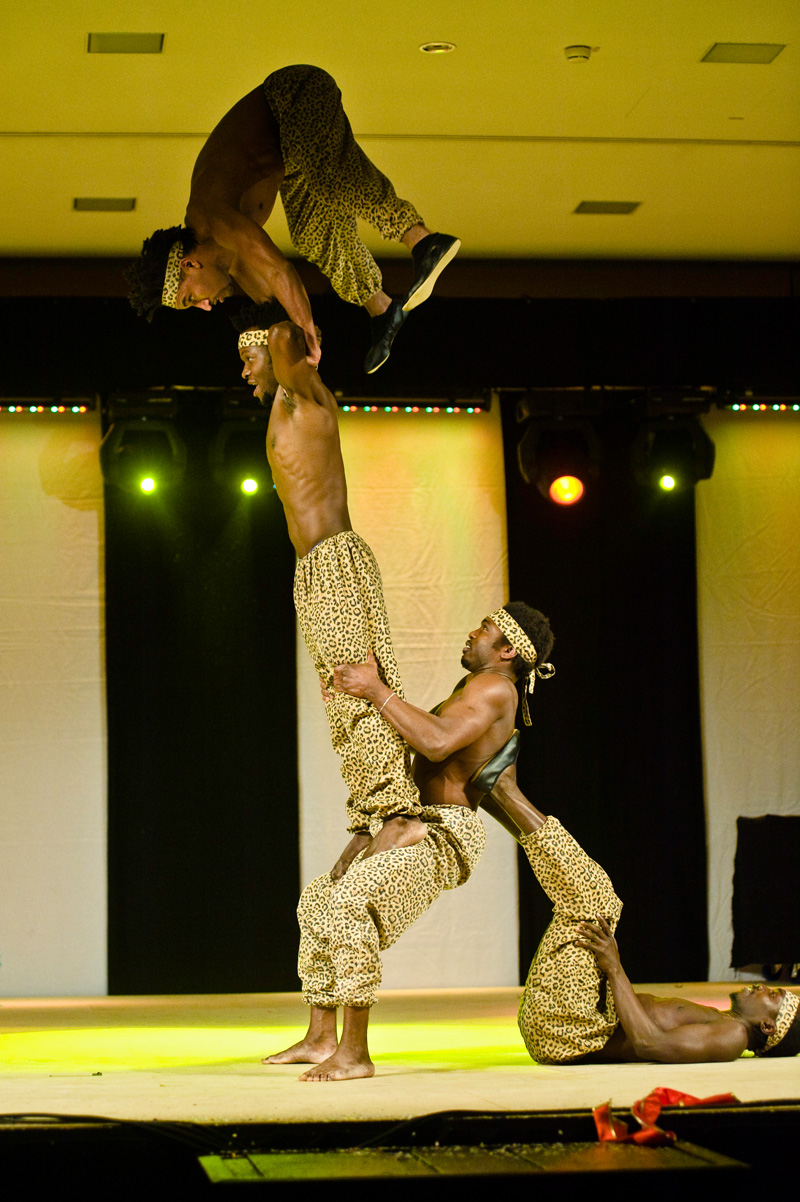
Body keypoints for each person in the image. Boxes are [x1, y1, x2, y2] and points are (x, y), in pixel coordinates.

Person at [234, 304, 555, 1079]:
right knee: (322, 895)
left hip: (436, 829)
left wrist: (254, 274)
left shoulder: (494, 695)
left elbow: (435, 741)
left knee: (359, 714)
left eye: (249, 357)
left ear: (507, 652)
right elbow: (409, 733)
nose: (472, 631)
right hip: (327, 591)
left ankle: (354, 1052)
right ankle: (320, 1034)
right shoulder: (472, 685)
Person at [127, 64, 460, 373]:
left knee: (328, 179)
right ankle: (383, 309)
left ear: (189, 264)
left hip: (291, 96)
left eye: (190, 299)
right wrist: (283, 354)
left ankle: (422, 240)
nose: (205, 306)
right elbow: (273, 304)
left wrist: (307, 334)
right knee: (311, 234)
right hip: (289, 159)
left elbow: (280, 270)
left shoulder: (212, 217)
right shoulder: (231, 259)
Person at [478, 766, 800, 1063]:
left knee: (595, 900)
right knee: (591, 897)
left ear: (767, 1026)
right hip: (573, 1025)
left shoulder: (732, 1036)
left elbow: (649, 1044)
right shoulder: (725, 1023)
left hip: (570, 1033)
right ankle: (488, 794)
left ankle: (502, 789)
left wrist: (613, 966)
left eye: (773, 995)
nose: (762, 988)